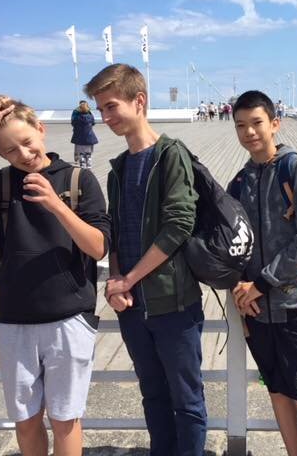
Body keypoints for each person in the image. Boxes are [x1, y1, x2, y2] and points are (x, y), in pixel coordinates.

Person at [0, 94, 111, 456]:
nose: (24, 154)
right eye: (10, 150)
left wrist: (57, 205)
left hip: (69, 318)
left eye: (27, 142)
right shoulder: (2, 182)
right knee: (25, 422)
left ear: (41, 129)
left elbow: (98, 246)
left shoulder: (78, 179)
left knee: (65, 420)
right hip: (15, 319)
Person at [84, 63, 207, 456]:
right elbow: (115, 233)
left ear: (139, 101)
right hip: (133, 307)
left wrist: (128, 279)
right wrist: (116, 280)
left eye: (111, 106)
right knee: (153, 395)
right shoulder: (118, 169)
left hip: (174, 303)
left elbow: (178, 225)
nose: (105, 117)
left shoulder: (171, 155)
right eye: (100, 109)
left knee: (186, 400)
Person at [229, 90, 297, 456]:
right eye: (241, 125)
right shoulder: (240, 182)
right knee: (278, 395)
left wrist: (262, 283)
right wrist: (238, 285)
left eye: (257, 123)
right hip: (257, 313)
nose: (249, 132)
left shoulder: (296, 168)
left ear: (275, 123)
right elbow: (232, 242)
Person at [70, 100, 98, 169]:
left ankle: (83, 166)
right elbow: (93, 123)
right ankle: (89, 166)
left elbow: (73, 123)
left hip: (79, 138)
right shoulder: (90, 116)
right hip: (90, 137)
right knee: (88, 153)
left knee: (81, 154)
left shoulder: (77, 118)